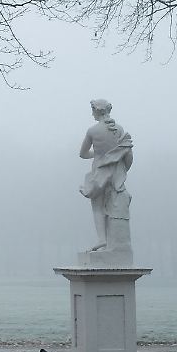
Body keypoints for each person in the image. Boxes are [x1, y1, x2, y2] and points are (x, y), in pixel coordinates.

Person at [77, 99, 134, 252]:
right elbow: (128, 156)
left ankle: (102, 239)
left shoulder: (93, 131)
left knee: (98, 206)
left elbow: (82, 154)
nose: (91, 113)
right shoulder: (120, 129)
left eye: (92, 110)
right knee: (113, 205)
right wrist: (122, 169)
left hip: (99, 172)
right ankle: (111, 242)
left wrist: (98, 153)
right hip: (117, 173)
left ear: (97, 110)